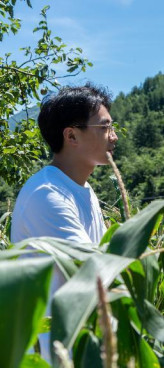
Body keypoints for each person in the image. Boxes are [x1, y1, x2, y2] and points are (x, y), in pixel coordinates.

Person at [11, 83, 117, 361]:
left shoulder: (82, 190)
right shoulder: (47, 194)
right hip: (53, 354)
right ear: (71, 135)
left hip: (82, 347)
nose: (114, 136)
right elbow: (96, 270)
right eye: (105, 127)